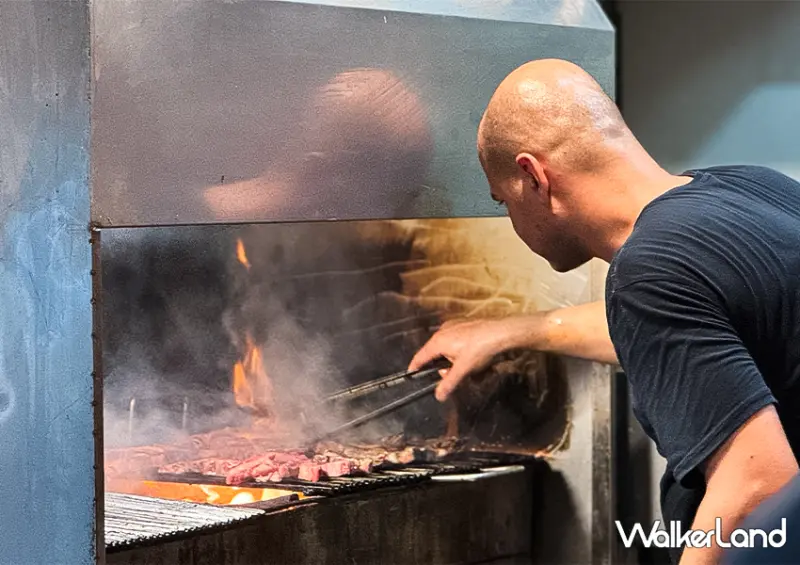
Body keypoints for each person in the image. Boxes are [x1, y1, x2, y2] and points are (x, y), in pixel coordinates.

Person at [408, 58, 800, 565]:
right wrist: (510, 331)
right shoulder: (753, 189)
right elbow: (700, 330)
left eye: (503, 202)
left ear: (532, 176)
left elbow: (757, 486)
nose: (512, 221)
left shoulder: (649, 269)